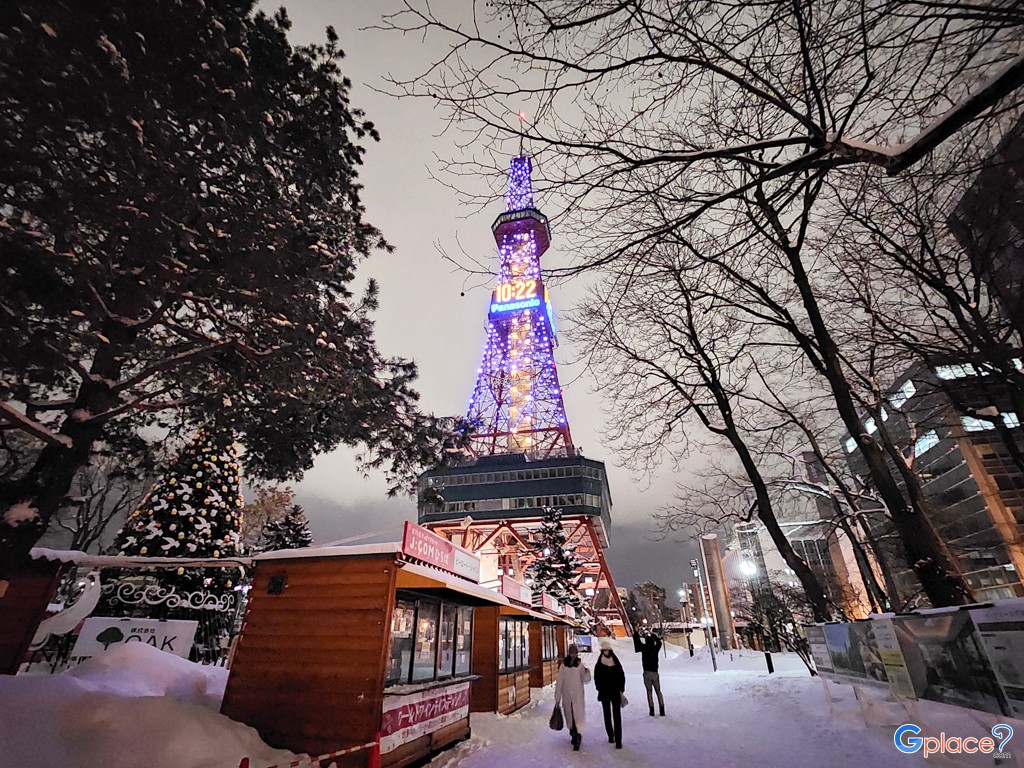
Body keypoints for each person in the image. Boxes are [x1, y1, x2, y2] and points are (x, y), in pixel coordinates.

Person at [554, 643, 591, 751]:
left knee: (577, 717)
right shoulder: (564, 665)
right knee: (569, 716)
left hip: (577, 696)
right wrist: (557, 698)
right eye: (571, 652)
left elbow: (585, 679)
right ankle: (573, 734)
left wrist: (587, 672)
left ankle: (577, 736)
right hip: (567, 696)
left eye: (574, 653)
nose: (573, 655)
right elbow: (559, 681)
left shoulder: (579, 665)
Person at [593, 638, 626, 749]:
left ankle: (614, 738)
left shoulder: (600, 663)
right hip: (611, 692)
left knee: (610, 715)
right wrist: (621, 688)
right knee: (613, 715)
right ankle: (615, 738)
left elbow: (597, 678)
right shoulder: (615, 662)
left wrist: (599, 688)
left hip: (608, 692)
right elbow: (621, 676)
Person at [634, 628, 666, 716]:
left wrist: (636, 633)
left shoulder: (644, 648)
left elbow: (637, 644)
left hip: (646, 672)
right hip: (655, 672)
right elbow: (659, 643)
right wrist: (653, 635)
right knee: (658, 691)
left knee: (649, 691)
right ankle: (662, 709)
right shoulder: (655, 648)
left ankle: (651, 710)